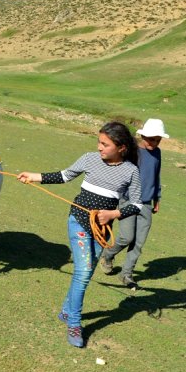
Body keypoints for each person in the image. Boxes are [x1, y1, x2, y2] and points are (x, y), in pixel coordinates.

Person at [17, 122, 143, 348]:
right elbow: (64, 176)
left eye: (105, 144)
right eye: (99, 142)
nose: (99, 148)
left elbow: (136, 205)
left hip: (102, 229)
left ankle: (66, 311)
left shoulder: (131, 171)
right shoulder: (89, 158)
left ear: (121, 148)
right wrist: (33, 176)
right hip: (78, 220)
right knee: (83, 272)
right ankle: (74, 323)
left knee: (85, 272)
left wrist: (113, 214)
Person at [99, 118, 169, 288]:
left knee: (138, 243)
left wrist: (156, 197)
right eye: (151, 139)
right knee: (126, 237)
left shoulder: (157, 152)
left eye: (158, 140)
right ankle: (107, 255)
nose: (154, 143)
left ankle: (126, 274)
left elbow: (156, 175)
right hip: (128, 200)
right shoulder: (132, 151)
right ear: (143, 135)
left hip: (146, 203)